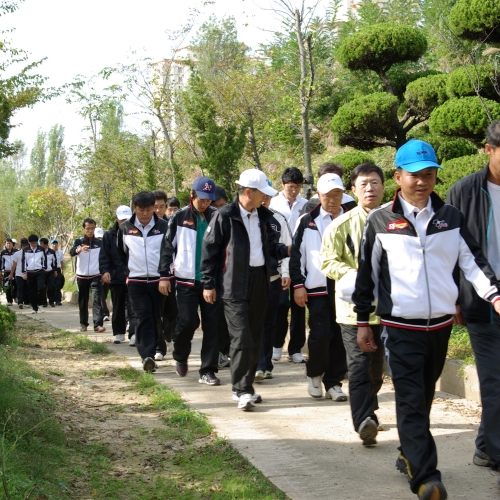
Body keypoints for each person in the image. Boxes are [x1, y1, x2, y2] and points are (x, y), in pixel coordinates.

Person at [353, 139, 500, 500]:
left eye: (430, 175)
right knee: (409, 397)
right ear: (398, 176)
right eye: (415, 175)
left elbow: (473, 262)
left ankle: (409, 453)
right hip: (400, 327)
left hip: (439, 327)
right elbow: (365, 276)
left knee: (423, 398)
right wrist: (361, 321)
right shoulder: (381, 221)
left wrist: (495, 295)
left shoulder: (450, 219)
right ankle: (425, 477)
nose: (423, 182)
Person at [201, 169, 290, 410]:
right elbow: (209, 252)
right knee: (241, 337)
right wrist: (208, 284)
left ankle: (246, 386)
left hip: (261, 282)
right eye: (263, 194)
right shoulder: (224, 216)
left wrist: (286, 251)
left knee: (255, 337)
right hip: (233, 284)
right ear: (248, 192)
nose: (266, 199)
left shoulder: (263, 216)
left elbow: (270, 246)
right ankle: (241, 389)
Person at [446, 121, 500, 487]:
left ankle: (484, 445)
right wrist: (454, 298)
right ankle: (495, 453)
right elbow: (450, 250)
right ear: (488, 149)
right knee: (495, 380)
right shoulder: (464, 191)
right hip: (481, 302)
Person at [320, 163, 386, 445]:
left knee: (376, 370)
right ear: (354, 190)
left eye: (374, 183)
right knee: (358, 366)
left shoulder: (395, 221)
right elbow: (326, 260)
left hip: (387, 311)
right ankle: (364, 421)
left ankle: (370, 409)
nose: (369, 188)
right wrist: (350, 273)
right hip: (351, 312)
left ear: (385, 186)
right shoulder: (340, 225)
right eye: (363, 184)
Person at [290, 173, 348, 401]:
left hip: (345, 287)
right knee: (321, 334)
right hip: (317, 287)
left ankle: (334, 382)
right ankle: (314, 373)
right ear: (318, 196)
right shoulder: (307, 220)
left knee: (341, 336)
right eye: (327, 196)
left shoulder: (350, 219)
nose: (332, 200)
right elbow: (296, 255)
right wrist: (298, 284)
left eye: (337, 195)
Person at [159, 177, 221, 385]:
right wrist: (164, 276)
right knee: (187, 321)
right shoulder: (179, 217)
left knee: (213, 325)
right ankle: (180, 355)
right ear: (192, 195)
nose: (205, 204)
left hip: (210, 281)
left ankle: (208, 370)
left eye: (208, 200)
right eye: (201, 199)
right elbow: (167, 248)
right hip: (185, 281)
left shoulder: (217, 217)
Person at [117, 191, 168, 372]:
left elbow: (168, 252)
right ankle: (147, 355)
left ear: (154, 208)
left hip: (159, 280)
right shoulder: (125, 228)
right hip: (136, 281)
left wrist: (165, 275)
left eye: (148, 209)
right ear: (134, 209)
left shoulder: (164, 226)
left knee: (155, 317)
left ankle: (156, 349)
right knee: (143, 316)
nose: (145, 214)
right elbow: (122, 253)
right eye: (141, 210)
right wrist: (129, 272)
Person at [270, 167, 308, 363]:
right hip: (280, 258)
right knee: (281, 305)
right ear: (283, 185)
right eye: (290, 187)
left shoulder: (307, 205)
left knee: (299, 306)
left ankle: (295, 349)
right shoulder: (273, 204)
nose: (294, 191)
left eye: (297, 187)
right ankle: (277, 344)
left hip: (301, 260)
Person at [255, 191, 292, 380]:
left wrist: (285, 273)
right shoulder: (244, 218)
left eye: (267, 197)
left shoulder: (278, 219)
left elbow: (285, 246)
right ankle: (257, 363)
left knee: (269, 323)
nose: (264, 201)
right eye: (260, 196)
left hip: (273, 278)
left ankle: (265, 364)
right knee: (254, 322)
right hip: (251, 281)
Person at [100, 205, 136, 345]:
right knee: (118, 306)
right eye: (122, 220)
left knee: (133, 307)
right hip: (116, 277)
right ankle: (119, 333)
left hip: (133, 275)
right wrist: (105, 271)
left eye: (126, 220)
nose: (124, 223)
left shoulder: (136, 232)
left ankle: (133, 333)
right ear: (116, 219)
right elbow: (104, 256)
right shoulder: (109, 236)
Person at [152, 189, 177, 360]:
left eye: (162, 207)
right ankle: (159, 348)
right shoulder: (144, 226)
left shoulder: (172, 224)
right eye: (155, 207)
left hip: (171, 274)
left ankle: (168, 335)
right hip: (152, 276)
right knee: (155, 313)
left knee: (172, 311)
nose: (158, 210)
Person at [70, 219, 106, 333]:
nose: (90, 231)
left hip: (96, 275)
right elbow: (71, 252)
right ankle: (83, 324)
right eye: (88, 228)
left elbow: (104, 259)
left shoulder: (100, 243)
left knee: (97, 299)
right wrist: (79, 249)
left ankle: (98, 324)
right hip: (82, 276)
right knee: (83, 301)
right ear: (83, 229)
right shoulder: (78, 241)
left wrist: (104, 273)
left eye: (92, 228)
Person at [211, 185, 230, 368]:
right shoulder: (207, 222)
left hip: (230, 277)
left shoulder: (232, 220)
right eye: (215, 206)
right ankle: (217, 352)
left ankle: (226, 351)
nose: (219, 210)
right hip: (211, 278)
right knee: (215, 317)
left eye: (222, 205)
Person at [22, 234, 47, 314]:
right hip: (30, 272)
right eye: (32, 243)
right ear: (29, 243)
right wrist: (24, 273)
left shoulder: (41, 249)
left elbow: (44, 259)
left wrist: (44, 268)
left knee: (41, 287)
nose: (34, 244)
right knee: (31, 291)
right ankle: (34, 308)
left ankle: (40, 303)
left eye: (35, 243)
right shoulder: (25, 250)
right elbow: (24, 262)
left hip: (39, 271)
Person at [8, 238, 30, 309]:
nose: (25, 247)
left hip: (28, 274)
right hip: (19, 274)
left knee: (27, 288)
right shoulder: (17, 254)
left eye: (26, 245)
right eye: (23, 246)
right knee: (20, 288)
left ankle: (27, 302)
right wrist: (11, 274)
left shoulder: (30, 253)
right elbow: (14, 265)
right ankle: (20, 302)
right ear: (21, 246)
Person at [39, 238, 57, 307]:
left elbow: (54, 261)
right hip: (42, 272)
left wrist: (55, 270)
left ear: (45, 244)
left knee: (51, 286)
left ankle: (51, 301)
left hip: (50, 272)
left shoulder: (51, 252)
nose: (40, 245)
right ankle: (44, 302)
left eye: (41, 244)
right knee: (43, 287)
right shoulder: (39, 252)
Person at [1, 238, 17, 305]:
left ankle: (14, 296)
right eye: (7, 243)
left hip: (15, 271)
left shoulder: (16, 251)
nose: (8, 245)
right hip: (7, 271)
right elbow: (1, 262)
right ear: (5, 244)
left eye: (10, 243)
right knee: (7, 286)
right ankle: (9, 301)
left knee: (16, 285)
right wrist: (1, 271)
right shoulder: (3, 253)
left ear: (12, 244)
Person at [51, 239, 65, 305]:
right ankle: (51, 298)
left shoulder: (60, 252)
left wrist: (62, 269)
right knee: (51, 285)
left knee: (58, 285)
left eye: (55, 244)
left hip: (58, 269)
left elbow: (62, 261)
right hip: (51, 269)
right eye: (53, 244)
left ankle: (58, 300)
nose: (54, 245)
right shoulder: (49, 252)